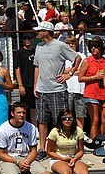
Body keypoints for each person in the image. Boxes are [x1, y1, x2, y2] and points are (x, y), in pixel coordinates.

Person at [32, 21, 81, 158]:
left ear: (46, 32)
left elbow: (77, 58)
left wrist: (69, 74)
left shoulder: (60, 45)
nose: (37, 33)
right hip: (42, 90)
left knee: (61, 120)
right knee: (42, 120)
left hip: (57, 90)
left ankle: (62, 147)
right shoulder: (39, 47)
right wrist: (36, 85)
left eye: (39, 30)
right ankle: (42, 149)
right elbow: (37, 66)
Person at [77, 36, 105, 139]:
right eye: (91, 47)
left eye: (96, 47)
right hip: (91, 93)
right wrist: (94, 77)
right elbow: (80, 78)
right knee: (95, 120)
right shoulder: (87, 61)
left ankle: (100, 139)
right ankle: (94, 142)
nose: (93, 49)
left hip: (104, 93)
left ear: (101, 48)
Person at [63, 36, 86, 130]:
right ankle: (68, 131)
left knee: (80, 113)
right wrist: (75, 70)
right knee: (67, 113)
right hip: (67, 88)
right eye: (69, 43)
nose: (71, 45)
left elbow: (83, 71)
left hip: (79, 89)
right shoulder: (63, 57)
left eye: (73, 43)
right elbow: (61, 70)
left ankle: (81, 132)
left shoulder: (82, 56)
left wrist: (69, 72)